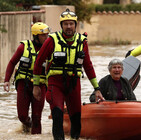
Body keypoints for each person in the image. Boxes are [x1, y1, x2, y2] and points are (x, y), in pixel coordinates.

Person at [32, 9, 104, 140]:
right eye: (66, 24)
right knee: (57, 115)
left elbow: (88, 66)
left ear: (75, 25)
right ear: (61, 25)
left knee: (76, 118)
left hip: (74, 83)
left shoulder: (82, 41)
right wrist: (36, 85)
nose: (69, 26)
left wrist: (97, 88)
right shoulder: (52, 40)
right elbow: (38, 62)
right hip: (55, 82)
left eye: (71, 23)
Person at [3, 22, 50, 134]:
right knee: (22, 116)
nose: (46, 37)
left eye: (47, 35)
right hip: (24, 84)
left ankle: (36, 135)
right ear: (36, 36)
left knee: (37, 118)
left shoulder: (49, 48)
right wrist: (6, 80)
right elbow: (12, 62)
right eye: (43, 35)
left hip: (40, 84)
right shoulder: (23, 47)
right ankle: (27, 126)